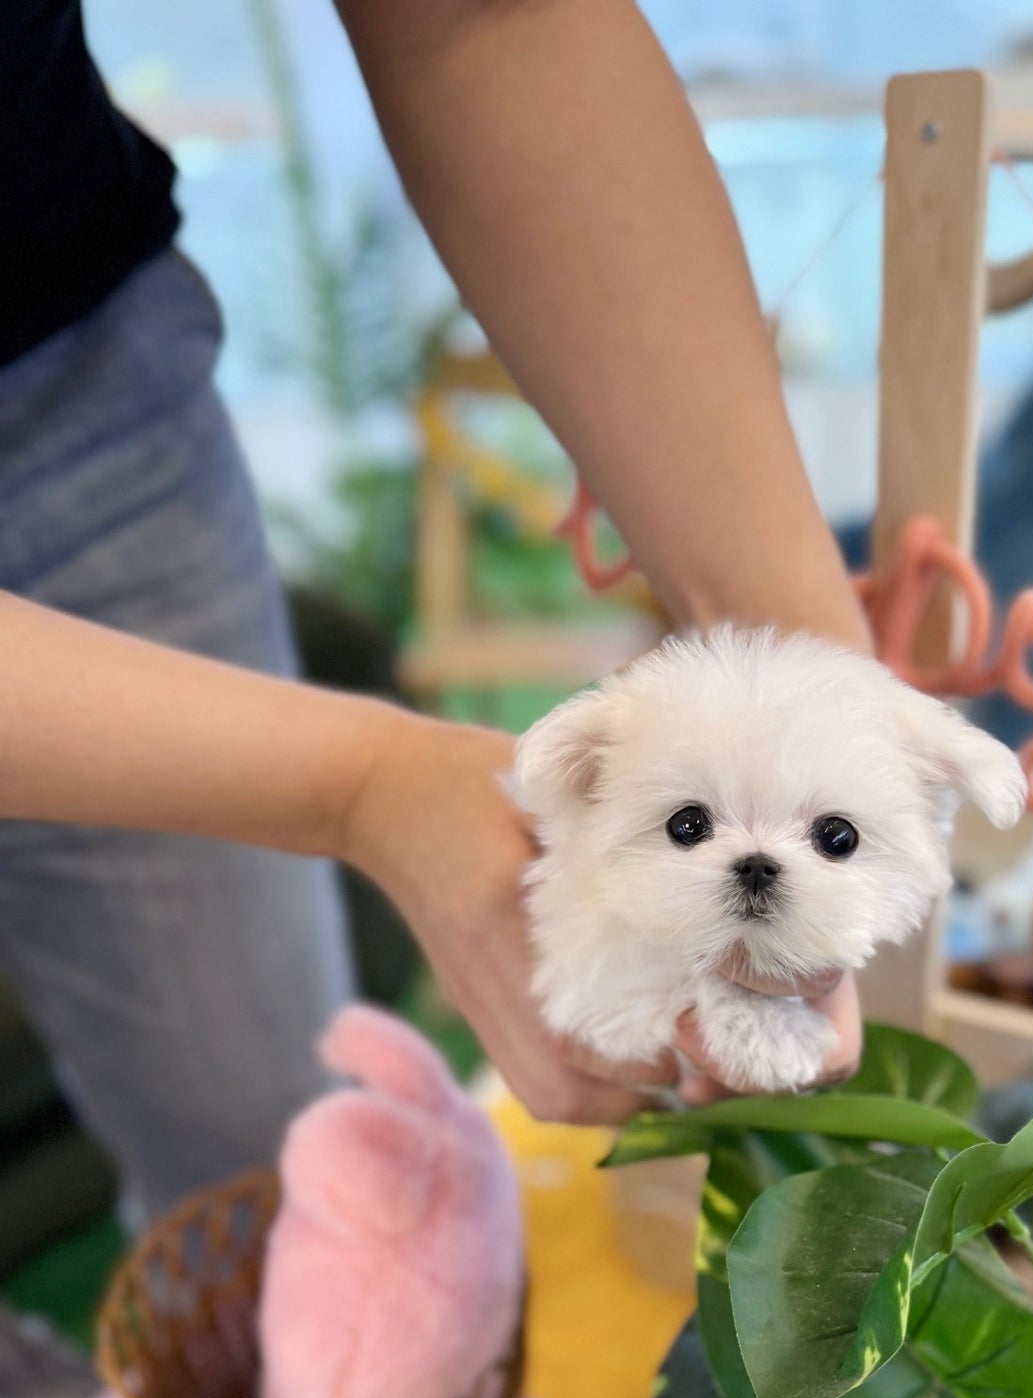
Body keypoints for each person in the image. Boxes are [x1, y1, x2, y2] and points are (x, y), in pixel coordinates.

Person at [0, 0, 868, 1226]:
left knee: (268, 1138)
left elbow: (484, 22)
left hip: (64, 330)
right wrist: (364, 787)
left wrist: (802, 655)